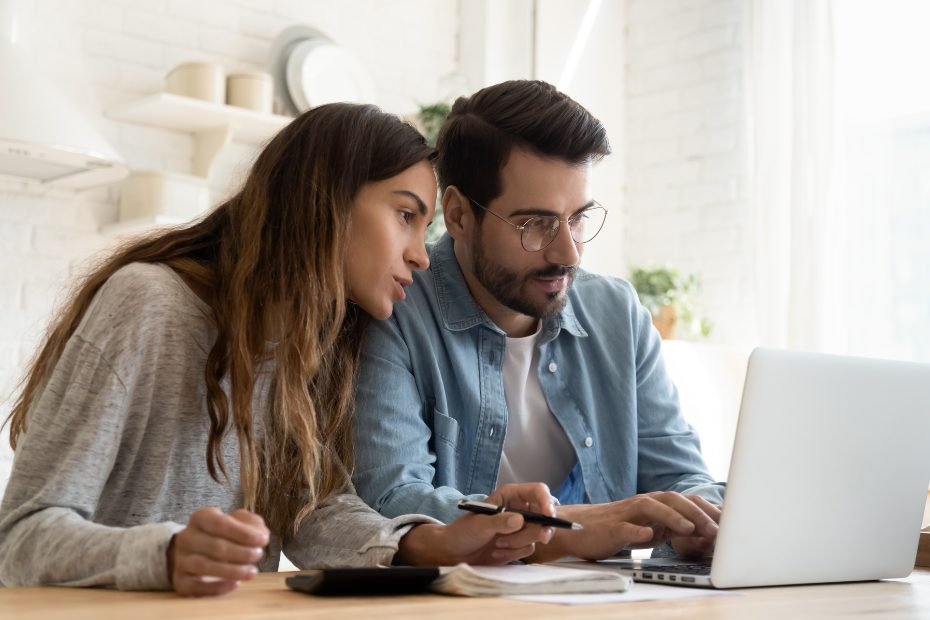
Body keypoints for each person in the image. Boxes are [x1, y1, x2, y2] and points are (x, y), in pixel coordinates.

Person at [0, 103, 555, 596]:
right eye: (405, 215)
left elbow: (312, 512)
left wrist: (429, 542)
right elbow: (21, 537)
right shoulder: (149, 303)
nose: (422, 255)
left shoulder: (314, 344)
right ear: (325, 200)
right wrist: (164, 555)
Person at [353, 81, 725, 563]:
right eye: (536, 225)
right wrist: (568, 530)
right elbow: (392, 500)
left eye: (578, 219)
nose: (568, 253)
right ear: (460, 215)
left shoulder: (617, 314)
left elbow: (680, 474)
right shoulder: (393, 310)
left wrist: (701, 521)